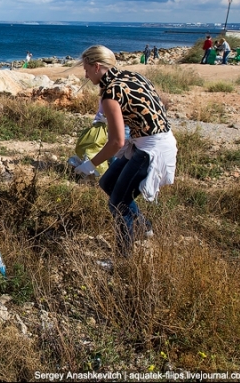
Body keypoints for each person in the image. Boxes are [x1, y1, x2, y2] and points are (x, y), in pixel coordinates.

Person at [75, 45, 176, 258]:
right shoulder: (130, 75)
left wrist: (90, 164)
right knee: (107, 183)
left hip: (151, 149)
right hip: (147, 141)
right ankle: (143, 226)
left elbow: (116, 142)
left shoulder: (110, 92)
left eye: (85, 69)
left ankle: (123, 261)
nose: (85, 74)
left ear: (97, 67)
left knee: (118, 203)